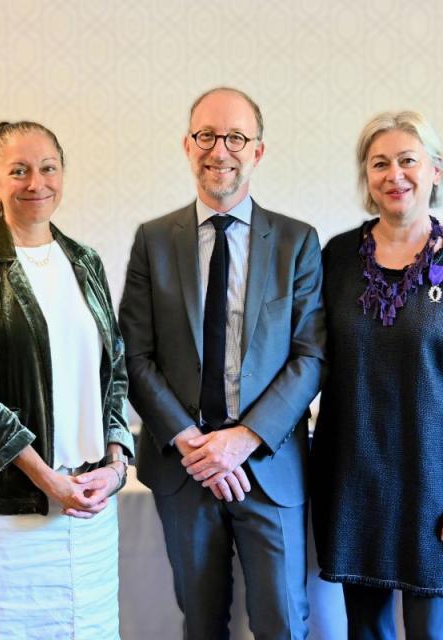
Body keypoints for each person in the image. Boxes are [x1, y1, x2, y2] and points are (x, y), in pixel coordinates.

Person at [119, 87, 325, 640]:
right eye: (206, 136)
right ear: (188, 146)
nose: (220, 150)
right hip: (184, 470)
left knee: (283, 622)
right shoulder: (153, 242)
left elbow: (310, 357)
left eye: (235, 137)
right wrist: (192, 440)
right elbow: (134, 357)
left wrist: (242, 440)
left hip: (270, 467)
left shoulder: (298, 242)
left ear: (258, 151)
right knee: (201, 622)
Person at [311, 111, 443, 640]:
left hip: (437, 486)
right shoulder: (335, 259)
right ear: (366, 177)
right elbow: (308, 361)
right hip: (354, 481)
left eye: (408, 160)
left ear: (435, 171)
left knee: (436, 631)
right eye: (379, 163)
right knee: (366, 630)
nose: (394, 174)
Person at [0, 121, 134, 639]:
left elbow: (113, 373)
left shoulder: (85, 261)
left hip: (87, 512)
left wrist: (117, 464)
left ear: (62, 174)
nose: (36, 182)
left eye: (48, 168)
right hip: (6, 516)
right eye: (19, 170)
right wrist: (47, 479)